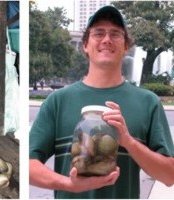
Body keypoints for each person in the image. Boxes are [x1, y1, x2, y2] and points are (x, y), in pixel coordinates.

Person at [29, 5, 174, 199]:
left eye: (115, 34)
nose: (106, 39)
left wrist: (129, 142)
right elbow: (28, 165)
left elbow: (169, 175)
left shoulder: (148, 103)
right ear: (86, 45)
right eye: (98, 33)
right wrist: (68, 184)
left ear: (126, 47)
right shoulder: (58, 101)